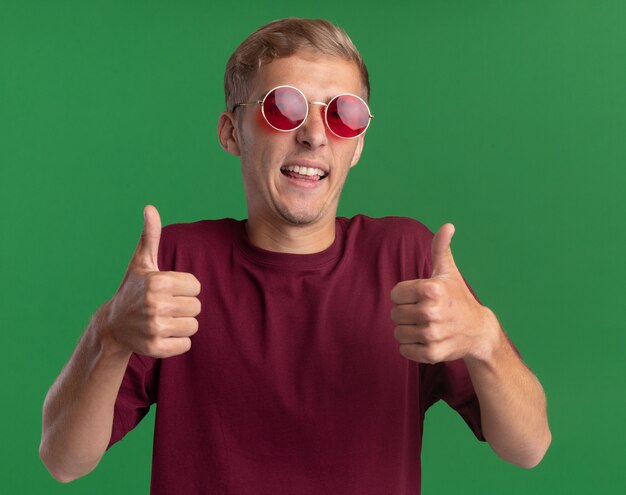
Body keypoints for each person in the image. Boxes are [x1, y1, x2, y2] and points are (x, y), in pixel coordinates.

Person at [39, 17, 551, 494]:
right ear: (230, 132)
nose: (313, 134)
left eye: (342, 114)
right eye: (283, 108)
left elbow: (528, 447)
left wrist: (484, 337)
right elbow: (63, 460)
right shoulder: (176, 267)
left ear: (358, 145)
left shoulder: (406, 259)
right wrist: (108, 333)